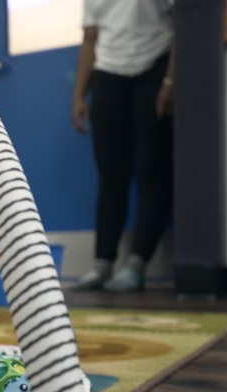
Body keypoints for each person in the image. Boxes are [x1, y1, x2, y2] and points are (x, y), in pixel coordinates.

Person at [71, 0, 175, 292]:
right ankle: (102, 264)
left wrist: (170, 80)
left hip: (154, 64)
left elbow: (180, 24)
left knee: (152, 169)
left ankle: (137, 263)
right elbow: (89, 39)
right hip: (107, 72)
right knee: (110, 173)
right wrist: (79, 96)